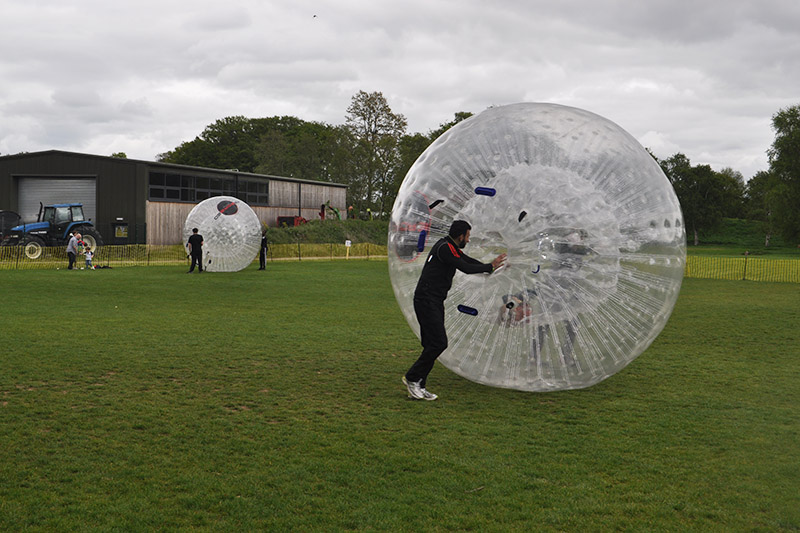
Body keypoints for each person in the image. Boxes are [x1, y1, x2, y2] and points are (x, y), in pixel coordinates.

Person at [402, 220, 506, 401]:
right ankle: (412, 377)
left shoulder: (449, 246)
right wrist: (489, 267)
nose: (469, 239)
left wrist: (490, 266)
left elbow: (466, 260)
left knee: (431, 344)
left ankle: (419, 385)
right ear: (461, 236)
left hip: (432, 300)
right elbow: (465, 267)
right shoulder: (445, 248)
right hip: (426, 300)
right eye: (468, 236)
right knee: (439, 343)